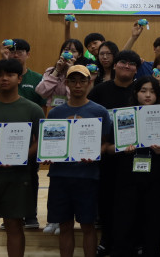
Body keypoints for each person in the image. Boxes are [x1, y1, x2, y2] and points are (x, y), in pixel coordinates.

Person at [0, 59, 45, 257]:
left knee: (14, 225)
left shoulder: (33, 109)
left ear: (19, 79)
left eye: (10, 75)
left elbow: (41, 141)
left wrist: (21, 156)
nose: (4, 78)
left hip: (18, 177)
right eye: (0, 75)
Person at [43, 65, 113, 256]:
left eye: (82, 80)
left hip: (87, 177)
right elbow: (50, 143)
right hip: (60, 177)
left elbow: (105, 143)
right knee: (64, 225)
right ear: (66, 83)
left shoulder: (99, 111)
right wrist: (48, 154)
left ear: (89, 82)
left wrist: (96, 152)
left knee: (88, 225)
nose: (77, 85)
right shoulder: (55, 113)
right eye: (73, 81)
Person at [87, 49, 141, 256]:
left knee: (133, 202)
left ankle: (133, 241)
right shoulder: (100, 90)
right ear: (115, 65)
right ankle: (106, 240)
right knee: (107, 199)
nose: (127, 66)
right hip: (107, 155)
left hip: (135, 156)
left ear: (136, 69)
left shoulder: (140, 90)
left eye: (132, 64)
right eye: (123, 62)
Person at [111, 76, 160, 257]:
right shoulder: (125, 114)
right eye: (143, 91)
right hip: (128, 175)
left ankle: (152, 252)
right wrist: (122, 148)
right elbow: (111, 146)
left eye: (152, 91)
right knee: (125, 218)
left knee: (153, 218)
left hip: (155, 175)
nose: (147, 95)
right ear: (136, 93)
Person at [0, 38, 45, 229]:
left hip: (30, 138)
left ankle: (30, 215)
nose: (15, 54)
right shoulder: (2, 75)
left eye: (20, 51)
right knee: (5, 177)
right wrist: (3, 60)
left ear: (28, 55)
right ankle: (8, 216)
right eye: (12, 51)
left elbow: (43, 107)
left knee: (31, 177)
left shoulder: (36, 78)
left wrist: (38, 136)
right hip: (5, 136)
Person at [35, 39, 88, 108]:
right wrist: (57, 70)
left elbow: (77, 97)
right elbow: (41, 92)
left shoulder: (83, 73)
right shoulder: (50, 71)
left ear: (79, 55)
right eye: (66, 50)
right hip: (55, 111)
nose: (69, 53)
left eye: (73, 51)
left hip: (75, 109)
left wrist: (71, 71)